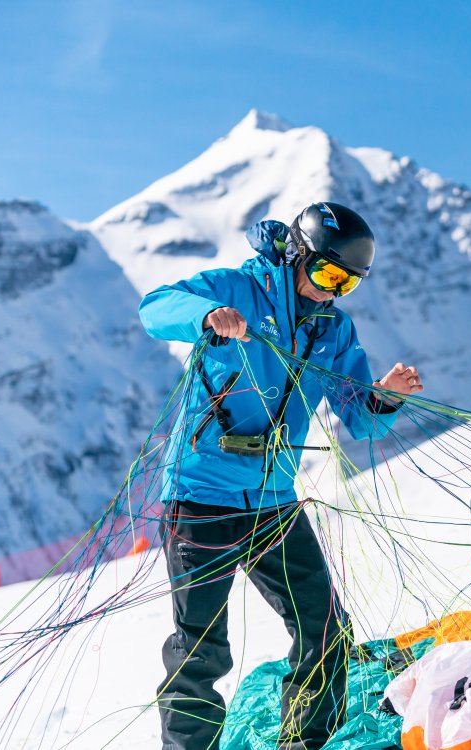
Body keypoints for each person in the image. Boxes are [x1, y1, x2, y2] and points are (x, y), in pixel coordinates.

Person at [138, 202, 423, 750]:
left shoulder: (333, 329)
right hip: (200, 496)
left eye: (347, 282)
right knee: (201, 652)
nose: (332, 290)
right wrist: (205, 317)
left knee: (324, 629)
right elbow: (155, 308)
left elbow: (358, 415)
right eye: (326, 273)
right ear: (298, 254)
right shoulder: (237, 290)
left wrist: (386, 395)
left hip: (272, 502)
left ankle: (303, 742)